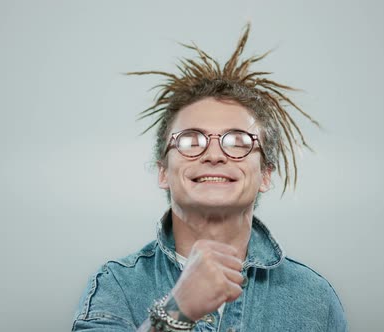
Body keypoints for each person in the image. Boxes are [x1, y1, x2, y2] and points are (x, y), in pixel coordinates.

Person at [71, 24, 348, 332]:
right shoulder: (116, 285)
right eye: (191, 140)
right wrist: (176, 312)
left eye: (238, 141)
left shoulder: (315, 298)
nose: (214, 155)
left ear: (266, 174)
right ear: (163, 171)